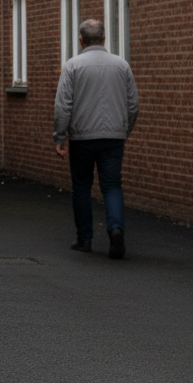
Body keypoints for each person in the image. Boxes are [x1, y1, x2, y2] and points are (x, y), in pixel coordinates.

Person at [53, 18, 139, 259]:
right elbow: (134, 105)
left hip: (82, 138)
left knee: (81, 186)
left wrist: (60, 136)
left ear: (81, 40)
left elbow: (63, 107)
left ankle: (84, 239)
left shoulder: (72, 66)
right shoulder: (122, 66)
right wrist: (124, 130)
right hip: (113, 137)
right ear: (104, 38)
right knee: (112, 185)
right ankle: (116, 230)